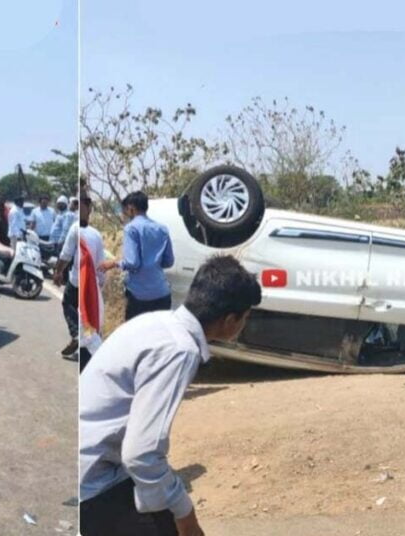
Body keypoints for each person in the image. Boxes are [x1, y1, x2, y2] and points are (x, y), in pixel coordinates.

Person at [79, 255, 261, 536]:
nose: (243, 325)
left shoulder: (159, 322)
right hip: (93, 483)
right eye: (245, 317)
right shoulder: (180, 350)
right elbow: (141, 455)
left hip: (94, 460)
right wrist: (185, 512)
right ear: (230, 320)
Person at [100, 191, 175, 320]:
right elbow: (169, 262)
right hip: (162, 294)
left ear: (131, 208)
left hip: (140, 297)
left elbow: (132, 262)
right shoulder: (162, 229)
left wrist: (114, 263)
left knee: (136, 336)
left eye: (125, 210)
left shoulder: (131, 228)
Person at [55, 195, 104, 361]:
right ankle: (85, 344)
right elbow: (100, 265)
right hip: (91, 285)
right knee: (87, 317)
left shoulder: (75, 229)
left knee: (68, 303)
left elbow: (66, 254)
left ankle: (77, 335)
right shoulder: (96, 235)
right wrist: (99, 286)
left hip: (77, 281)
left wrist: (58, 272)